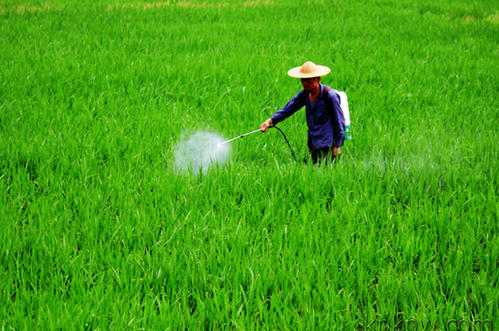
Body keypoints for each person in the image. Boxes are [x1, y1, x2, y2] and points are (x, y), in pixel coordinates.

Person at [260, 61, 345, 164]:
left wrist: (337, 145)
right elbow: (288, 108)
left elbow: (339, 121)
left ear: (317, 79)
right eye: (303, 80)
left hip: (328, 143)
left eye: (308, 81)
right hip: (313, 141)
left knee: (325, 172)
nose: (305, 84)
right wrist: (270, 121)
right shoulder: (305, 93)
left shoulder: (330, 96)